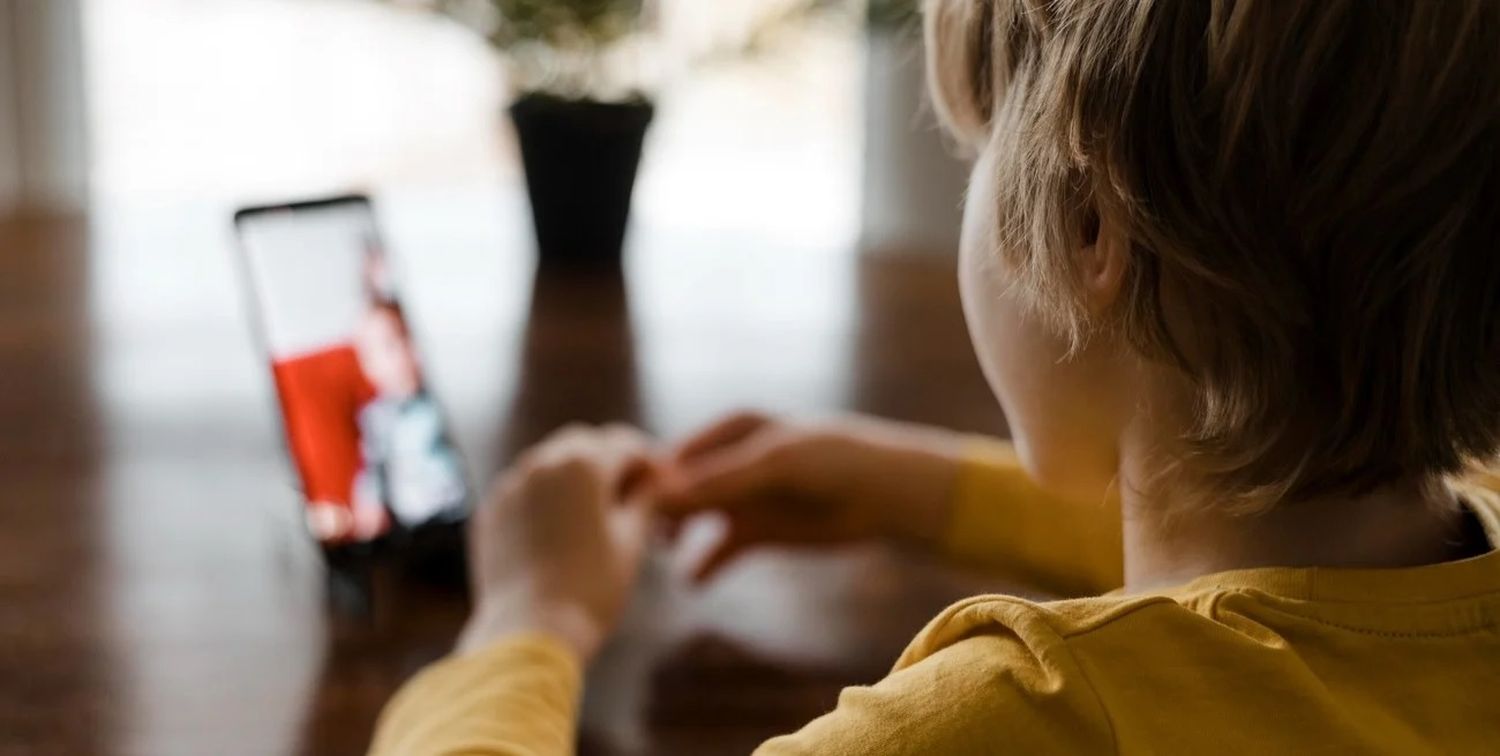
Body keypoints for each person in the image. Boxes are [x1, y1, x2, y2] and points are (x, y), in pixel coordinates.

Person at [370, 0, 1500, 752]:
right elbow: (1281, 612)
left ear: (1090, 226)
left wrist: (531, 618)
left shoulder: (999, 724)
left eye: (976, 147)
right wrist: (922, 489)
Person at [351, 300, 468, 529]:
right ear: (369, 367)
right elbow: (372, 468)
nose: (406, 349)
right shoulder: (374, 417)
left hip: (453, 511)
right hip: (411, 523)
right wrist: (369, 505)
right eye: (389, 345)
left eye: (408, 336)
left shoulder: (437, 403)